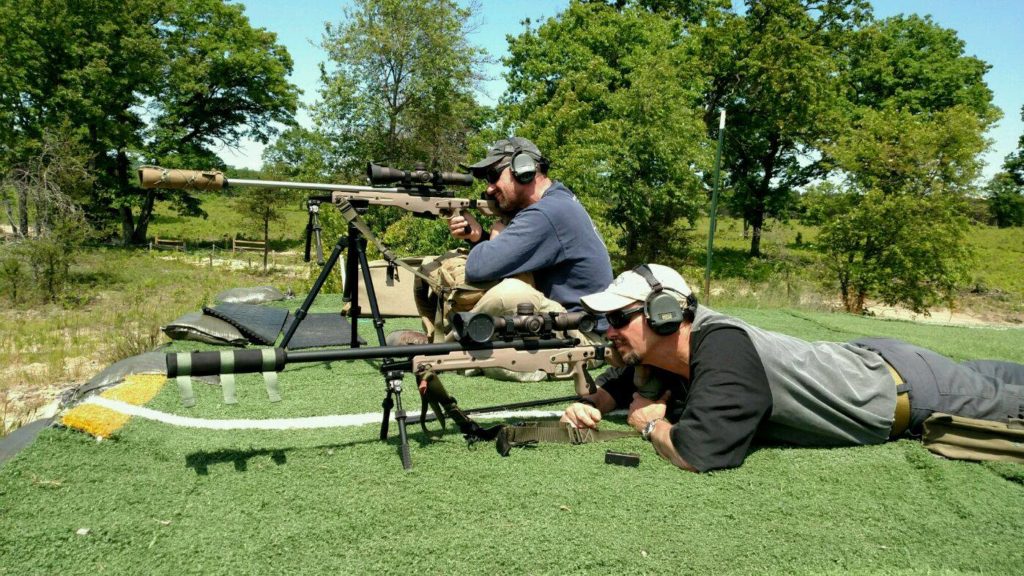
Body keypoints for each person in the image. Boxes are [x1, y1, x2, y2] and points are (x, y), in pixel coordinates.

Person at [561, 264, 1024, 472]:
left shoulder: (722, 347)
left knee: (1009, 401)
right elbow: (613, 392)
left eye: (619, 318)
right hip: (875, 359)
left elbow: (698, 452)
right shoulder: (666, 355)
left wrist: (648, 427)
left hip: (912, 391)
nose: (608, 330)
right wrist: (586, 409)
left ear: (665, 314)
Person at [389, 136, 614, 348]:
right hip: (564, 324)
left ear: (524, 169)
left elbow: (479, 268)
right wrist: (479, 238)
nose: (489, 187)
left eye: (494, 176)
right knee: (435, 264)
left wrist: (497, 233)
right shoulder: (557, 202)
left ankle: (447, 347)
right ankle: (443, 339)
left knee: (512, 293)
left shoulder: (546, 213)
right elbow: (510, 262)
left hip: (581, 336)